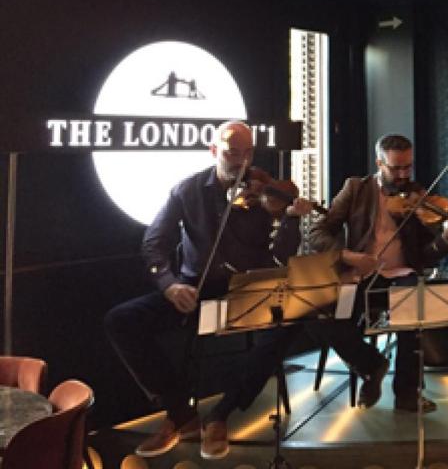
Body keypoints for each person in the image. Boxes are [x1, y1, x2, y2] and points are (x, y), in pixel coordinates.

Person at [105, 121, 315, 460]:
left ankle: (221, 414)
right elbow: (154, 244)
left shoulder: (265, 193)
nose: (242, 161)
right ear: (214, 150)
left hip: (247, 290)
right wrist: (170, 284)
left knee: (293, 320)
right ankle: (180, 413)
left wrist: (291, 220)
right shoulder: (187, 191)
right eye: (233, 152)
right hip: (196, 289)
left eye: (248, 153)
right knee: (121, 320)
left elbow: (280, 257)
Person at [308, 133, 448, 413]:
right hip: (360, 274)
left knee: (412, 310)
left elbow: (427, 254)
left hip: (401, 272)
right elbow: (317, 232)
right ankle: (372, 365)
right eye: (396, 168)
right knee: (323, 315)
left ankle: (407, 394)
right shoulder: (356, 189)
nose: (403, 174)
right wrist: (347, 256)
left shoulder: (418, 196)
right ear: (378, 163)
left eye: (408, 167)